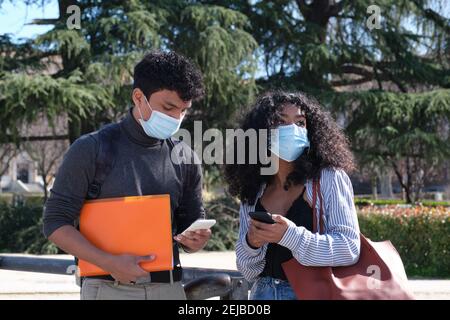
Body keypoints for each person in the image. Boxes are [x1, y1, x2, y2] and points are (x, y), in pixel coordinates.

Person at [43, 51, 211, 300]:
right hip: (107, 289)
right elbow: (55, 222)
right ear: (138, 97)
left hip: (169, 289)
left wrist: (195, 240)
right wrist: (108, 262)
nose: (176, 118)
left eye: (184, 111)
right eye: (168, 107)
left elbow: (189, 230)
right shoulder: (91, 148)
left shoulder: (185, 157)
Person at [224, 90, 361, 300]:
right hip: (262, 295)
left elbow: (349, 247)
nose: (292, 129)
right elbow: (248, 272)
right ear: (262, 131)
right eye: (281, 121)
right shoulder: (254, 188)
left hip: (313, 293)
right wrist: (252, 243)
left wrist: (289, 236)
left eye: (300, 122)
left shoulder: (328, 178)